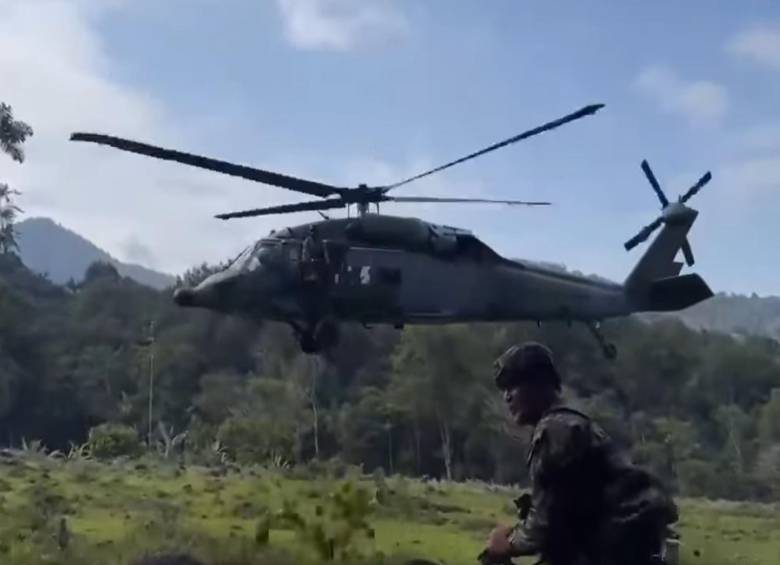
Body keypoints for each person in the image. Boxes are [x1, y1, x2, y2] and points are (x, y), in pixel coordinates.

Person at [482, 342, 678, 565]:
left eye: (514, 386)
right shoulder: (573, 422)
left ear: (538, 384)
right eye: (505, 390)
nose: (507, 397)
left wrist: (506, 543)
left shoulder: (555, 429)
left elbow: (543, 525)